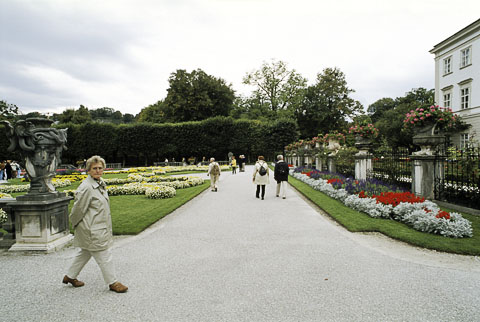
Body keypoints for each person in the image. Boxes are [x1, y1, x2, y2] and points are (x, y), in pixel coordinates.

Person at [63, 155, 128, 293]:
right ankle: (113, 282)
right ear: (88, 170)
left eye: (100, 168)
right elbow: (78, 210)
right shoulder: (86, 188)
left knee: (85, 252)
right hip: (91, 229)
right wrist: (75, 224)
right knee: (104, 254)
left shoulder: (99, 183)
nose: (98, 171)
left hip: (98, 227)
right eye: (94, 168)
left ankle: (70, 276)